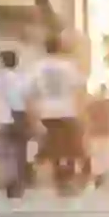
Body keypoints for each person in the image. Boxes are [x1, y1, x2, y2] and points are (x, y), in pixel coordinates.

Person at [29, 34, 86, 196]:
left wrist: (34, 114)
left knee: (55, 147)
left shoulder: (37, 68)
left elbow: (33, 93)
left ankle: (58, 179)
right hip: (68, 111)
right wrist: (82, 112)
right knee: (70, 148)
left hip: (47, 112)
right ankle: (67, 178)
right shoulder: (69, 66)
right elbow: (79, 90)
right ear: (60, 47)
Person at [0, 50, 31, 198]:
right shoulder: (23, 78)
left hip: (2, 118)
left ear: (2, 61)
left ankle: (9, 182)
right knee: (20, 152)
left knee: (4, 153)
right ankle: (19, 183)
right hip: (20, 117)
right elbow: (28, 99)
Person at [86, 84, 109, 188]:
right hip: (106, 132)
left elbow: (89, 117)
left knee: (98, 157)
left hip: (97, 132)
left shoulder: (93, 104)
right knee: (105, 157)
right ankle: (102, 177)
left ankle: (99, 177)